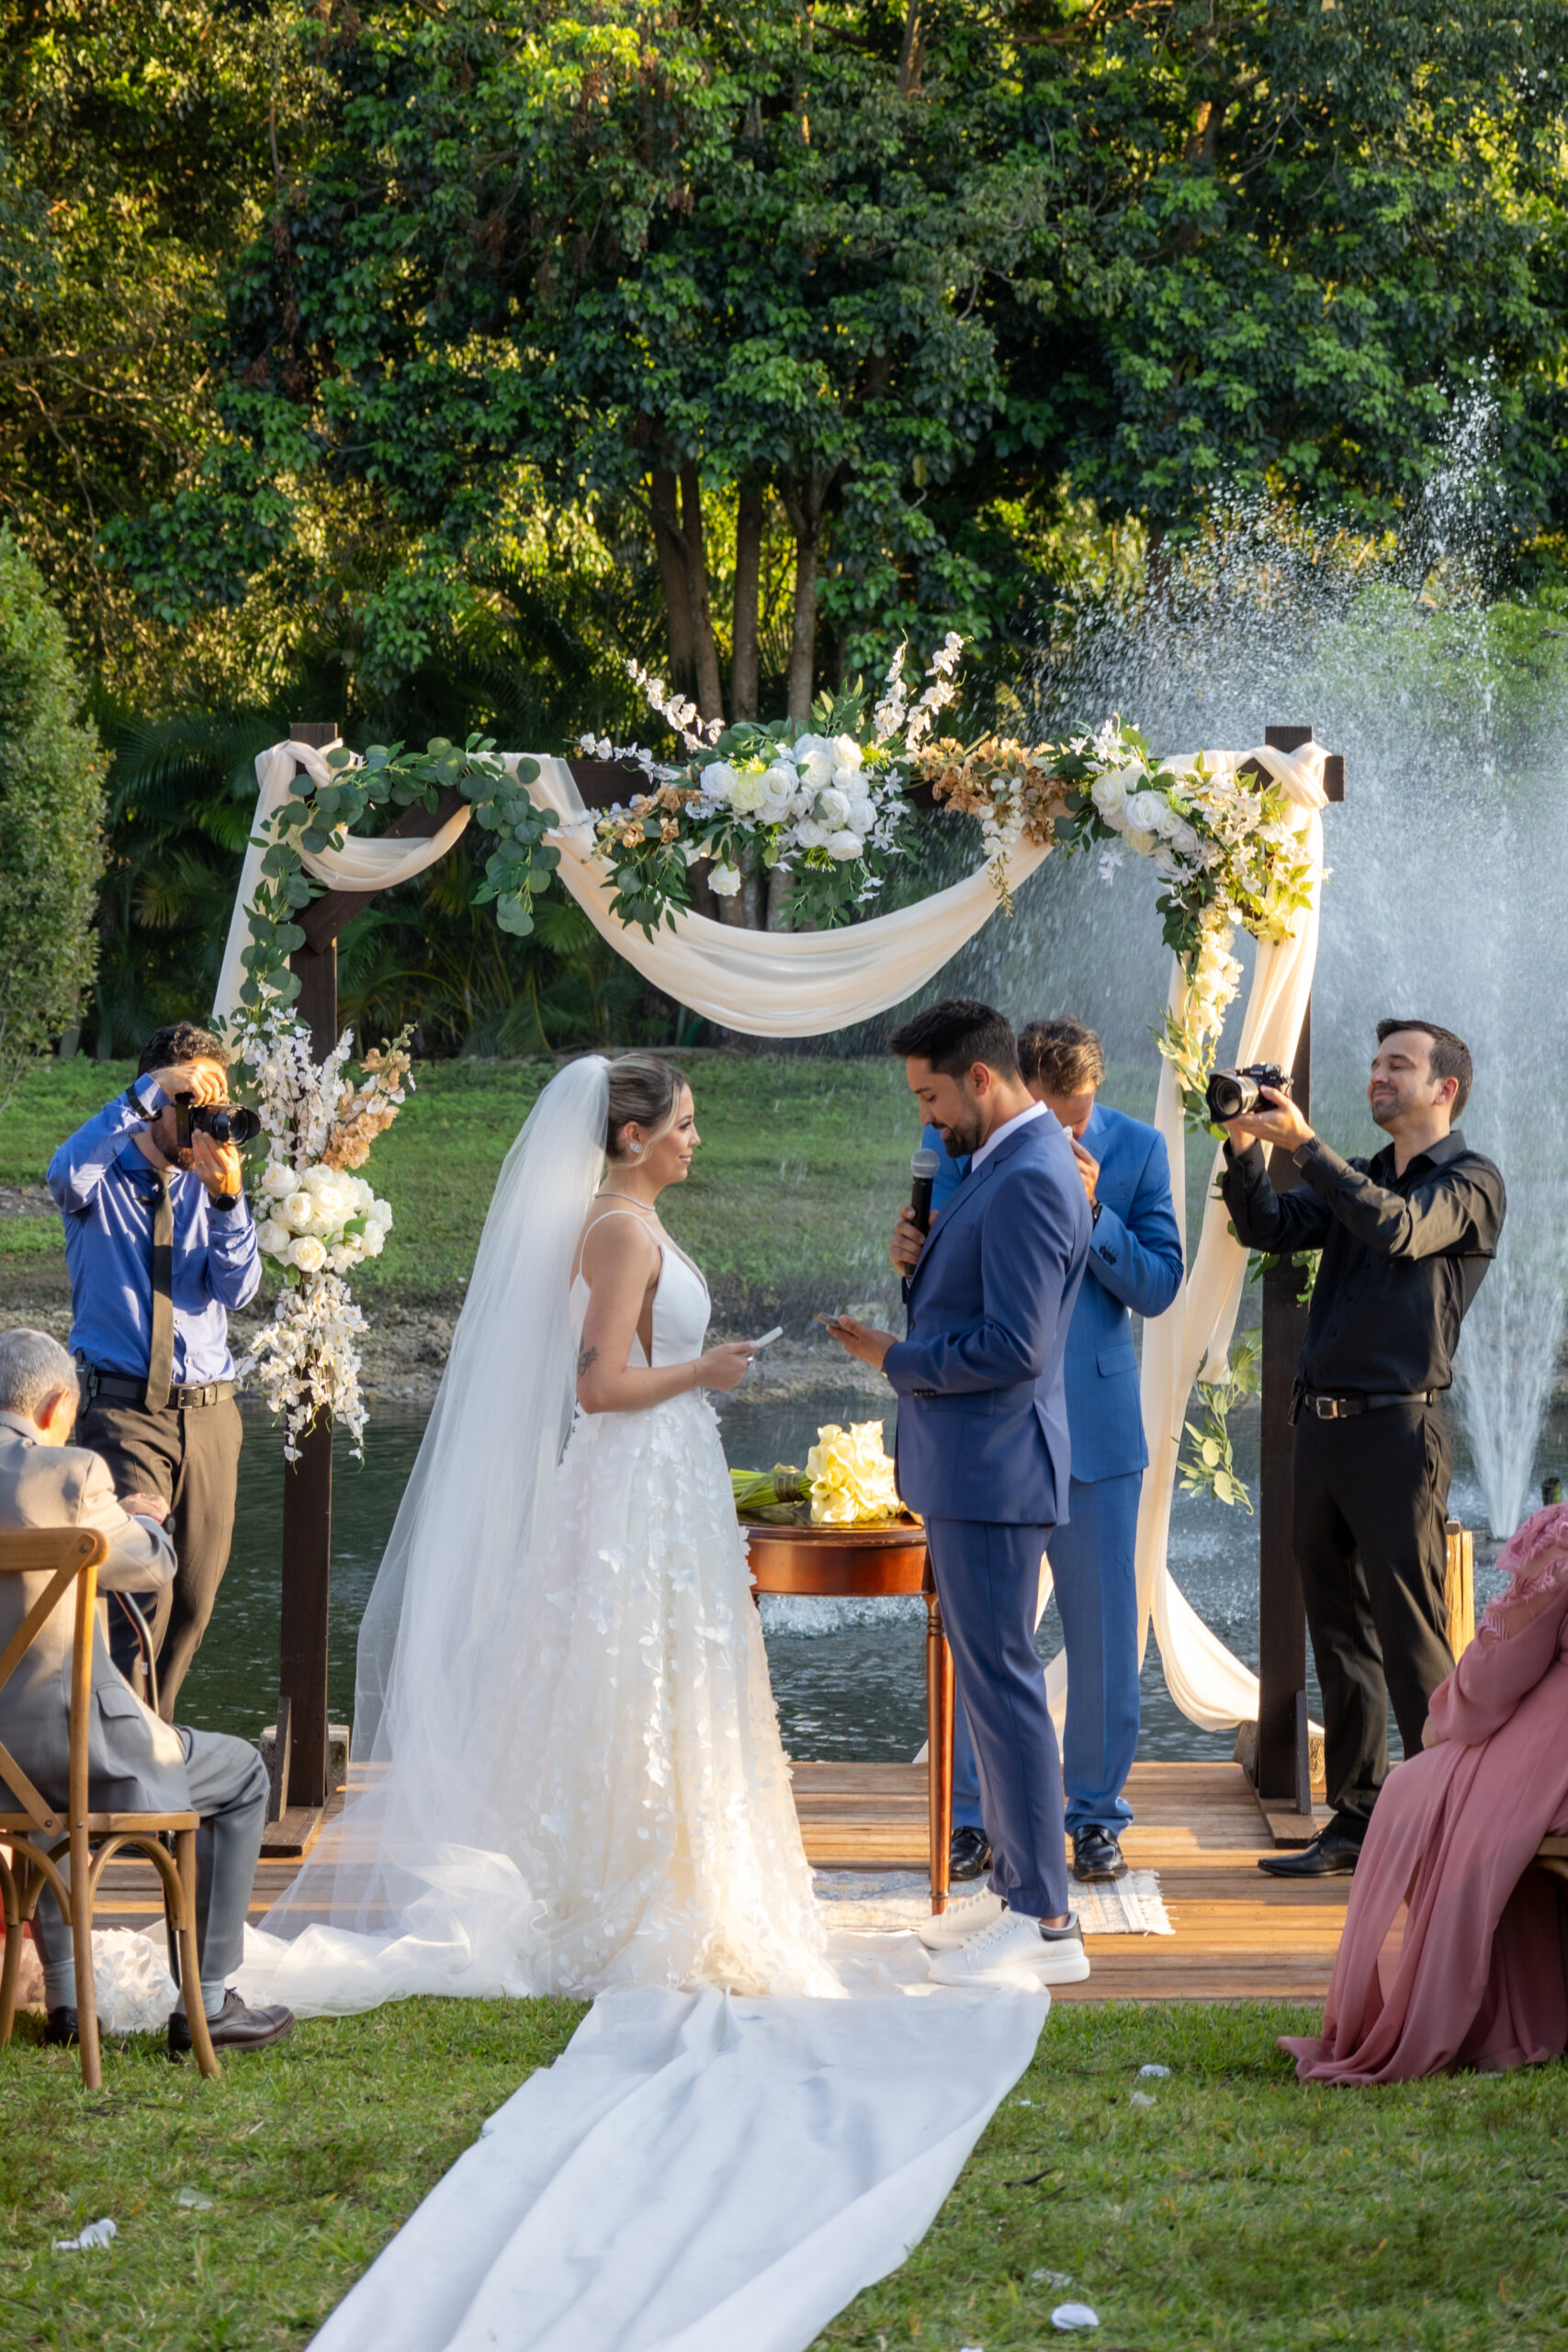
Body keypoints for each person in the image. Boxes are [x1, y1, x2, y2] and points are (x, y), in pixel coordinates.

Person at [235, 1054, 838, 2010]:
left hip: (664, 1476)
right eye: (683, 1123)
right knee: (624, 1669)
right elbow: (597, 1389)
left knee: (662, 1670)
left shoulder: (632, 1220)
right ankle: (609, 1886)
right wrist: (703, 1373)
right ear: (632, 1136)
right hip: (637, 1476)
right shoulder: (617, 1232)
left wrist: (693, 1379)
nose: (696, 1138)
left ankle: (681, 1868)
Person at [827, 999, 1093, 1989]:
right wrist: (921, 1264)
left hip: (993, 1469)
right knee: (989, 1682)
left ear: (982, 1078)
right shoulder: (999, 1164)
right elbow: (983, 1302)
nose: (928, 1120)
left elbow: (1017, 1350)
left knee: (1008, 1684)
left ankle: (1048, 1920)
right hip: (973, 1467)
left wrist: (899, 1356)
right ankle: (1017, 1886)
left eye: (932, 1096)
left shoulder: (1026, 1174)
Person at [1219, 1018, 1506, 1880]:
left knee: (1412, 1636)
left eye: (1398, 1065)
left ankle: (1444, 1827)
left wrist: (1304, 1144)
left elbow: (1398, 1231)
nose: (1377, 1074)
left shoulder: (1469, 1181)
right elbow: (1266, 1226)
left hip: (1398, 1431)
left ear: (1443, 1086)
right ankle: (1357, 1820)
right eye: (1376, 1063)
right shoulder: (1364, 1176)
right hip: (1326, 1428)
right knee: (1338, 1632)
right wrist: (1241, 1148)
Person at [928, 1017, 1183, 1885]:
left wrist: (1096, 1212)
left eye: (1078, 1118)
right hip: (999, 1430)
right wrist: (909, 1260)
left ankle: (1096, 1818)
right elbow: (943, 1279)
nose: (1063, 1135)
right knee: (985, 1634)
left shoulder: (1140, 1152)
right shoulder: (968, 1141)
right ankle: (969, 1817)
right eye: (1052, 1116)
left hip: (1097, 1431)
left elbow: (1158, 1286)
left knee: (1108, 1638)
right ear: (1013, 1087)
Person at [0, 1329, 292, 2053]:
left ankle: (71, 2005)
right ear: (58, 1406)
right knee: (243, 1775)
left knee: (48, 1801)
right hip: (83, 1753)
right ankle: (213, 1999)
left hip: (4, 1769)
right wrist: (144, 1518)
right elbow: (153, 1569)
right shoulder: (70, 1476)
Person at [1282, 1501, 1568, 2084]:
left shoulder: (1562, 1539)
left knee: (1415, 1785)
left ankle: (1484, 2014)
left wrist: (1446, 1714)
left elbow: (1498, 1667)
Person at [48, 1021, 259, 1716]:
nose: (206, 1118)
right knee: (138, 1595)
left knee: (194, 1601)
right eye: (191, 1100)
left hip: (211, 1414)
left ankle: (151, 1747)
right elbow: (60, 1175)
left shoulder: (214, 1179)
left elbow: (240, 1290)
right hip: (124, 1413)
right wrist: (144, 1095)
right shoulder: (101, 1174)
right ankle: (119, 1766)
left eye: (215, 1100)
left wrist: (226, 1200)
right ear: (157, 1099)